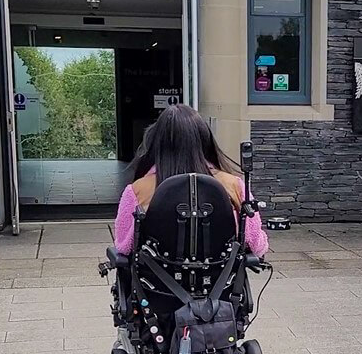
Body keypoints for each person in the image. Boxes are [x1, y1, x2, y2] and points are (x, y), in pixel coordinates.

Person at [114, 105, 269, 257]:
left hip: (154, 279)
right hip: (219, 278)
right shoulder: (233, 185)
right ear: (205, 140)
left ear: (157, 142)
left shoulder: (137, 190)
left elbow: (124, 246)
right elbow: (255, 243)